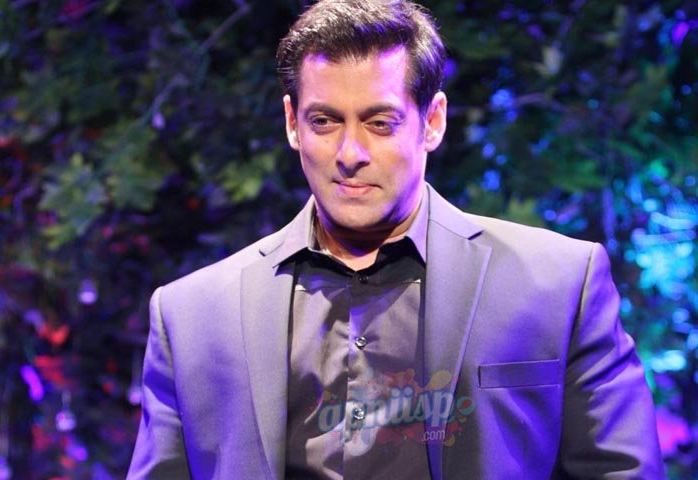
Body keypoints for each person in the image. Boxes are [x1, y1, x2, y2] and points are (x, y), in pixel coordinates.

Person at [128, 0, 664, 478]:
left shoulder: (557, 284)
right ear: (292, 123)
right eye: (324, 121)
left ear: (432, 121)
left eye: (380, 123)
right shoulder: (192, 316)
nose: (350, 153)